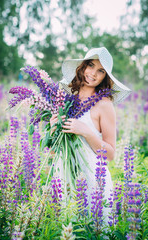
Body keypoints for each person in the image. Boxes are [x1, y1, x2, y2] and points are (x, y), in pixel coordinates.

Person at [50, 47, 131, 222]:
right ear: (83, 66)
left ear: (105, 77)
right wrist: (52, 129)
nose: (93, 74)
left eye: (100, 71)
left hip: (92, 181)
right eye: (91, 65)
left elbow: (109, 154)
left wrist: (86, 131)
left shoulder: (104, 104)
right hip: (63, 177)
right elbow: (52, 152)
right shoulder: (66, 98)